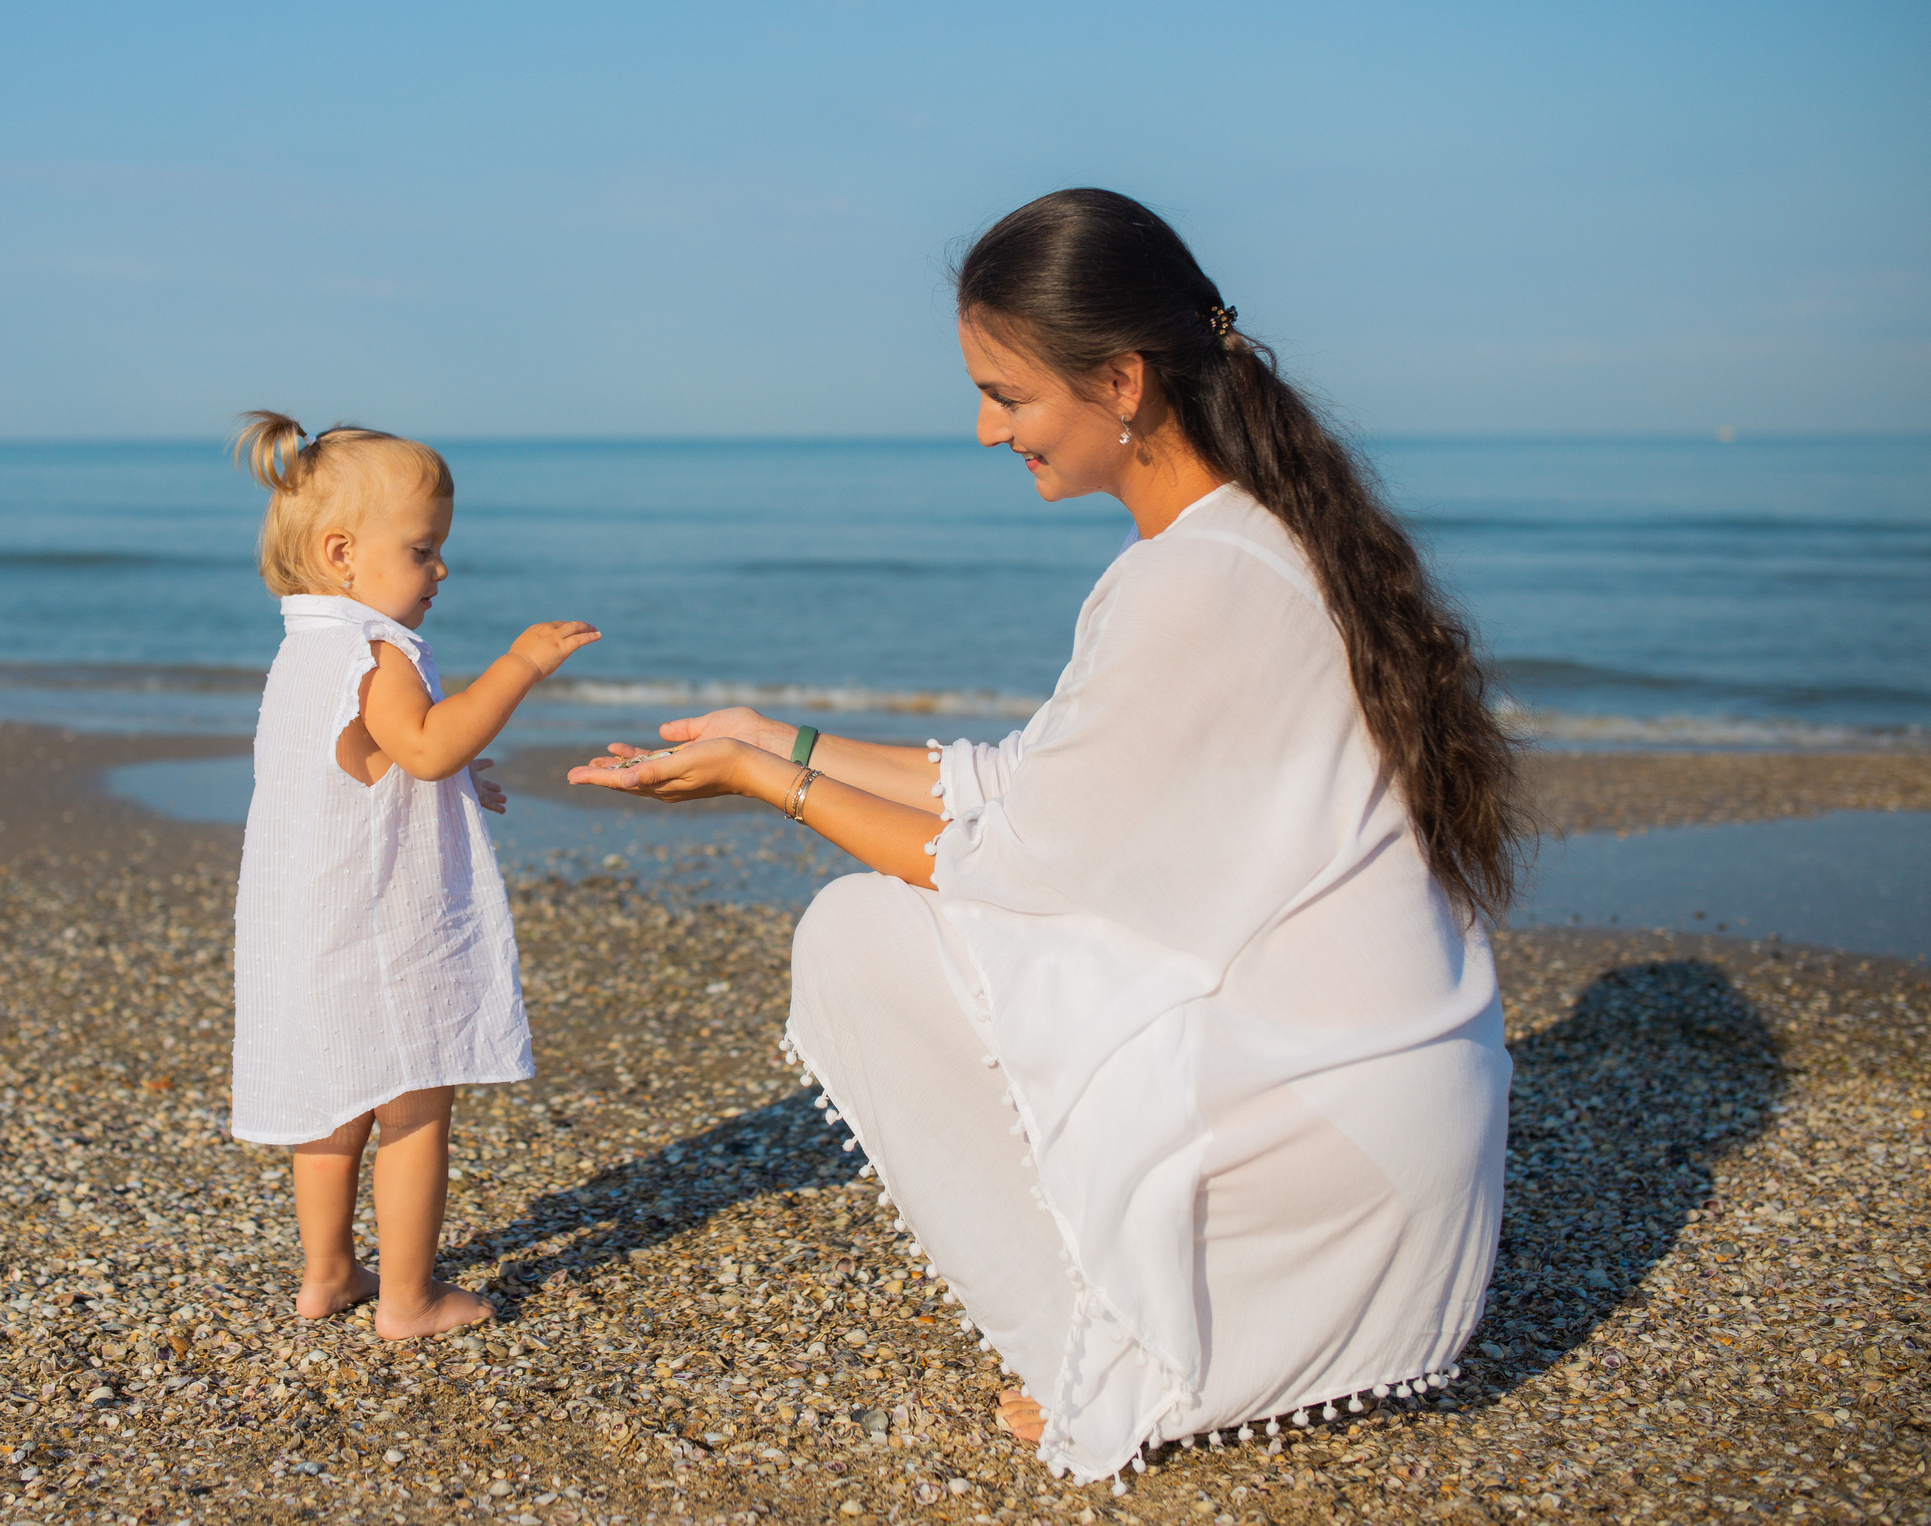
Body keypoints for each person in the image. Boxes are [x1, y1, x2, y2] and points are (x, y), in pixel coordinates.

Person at [569, 189, 1521, 1488]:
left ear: (1120, 380)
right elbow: (1018, 787)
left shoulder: (1192, 577)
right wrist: (772, 733)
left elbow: (1006, 859)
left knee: (860, 933)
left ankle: (1116, 1354)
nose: (984, 427)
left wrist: (756, 778)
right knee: (1000, 936)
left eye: (1005, 394)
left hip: (1332, 1140)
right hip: (1397, 1120)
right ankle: (1180, 1310)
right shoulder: (1254, 535)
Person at [228, 412, 600, 1340]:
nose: (441, 572)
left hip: (308, 925)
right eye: (425, 550)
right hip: (380, 933)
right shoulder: (377, 651)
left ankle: (326, 1275)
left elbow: (361, 759)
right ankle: (409, 1298)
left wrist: (453, 775)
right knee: (414, 1106)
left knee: (331, 1110)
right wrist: (518, 665)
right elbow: (424, 745)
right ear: (342, 552)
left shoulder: (304, 649)